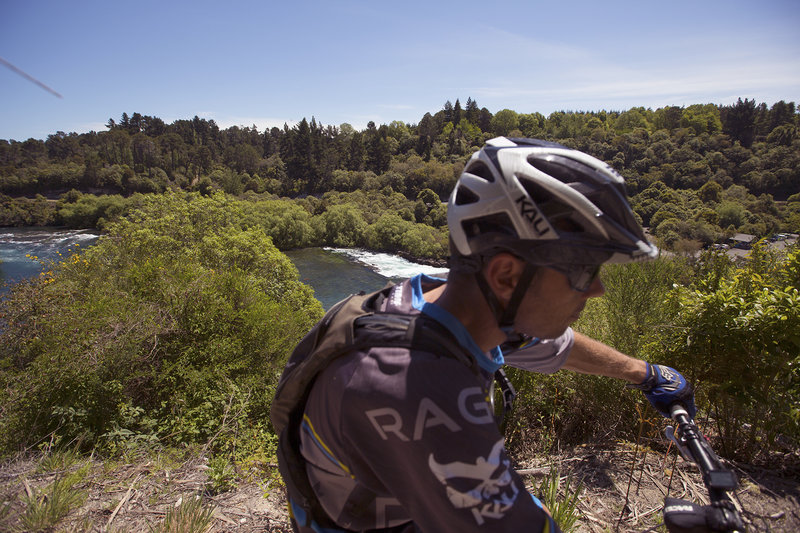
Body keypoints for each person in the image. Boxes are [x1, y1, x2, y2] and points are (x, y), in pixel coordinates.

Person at [283, 137, 695, 532]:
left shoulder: (442, 302)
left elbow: (553, 346)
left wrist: (646, 373)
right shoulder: (413, 385)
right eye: (585, 272)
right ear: (506, 275)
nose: (598, 289)